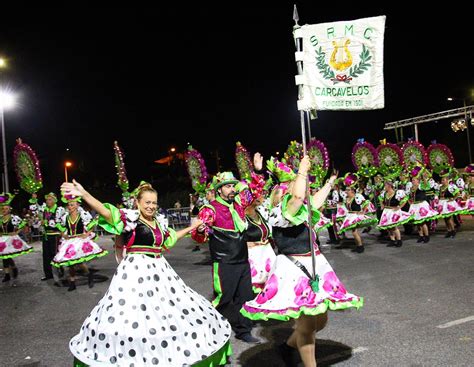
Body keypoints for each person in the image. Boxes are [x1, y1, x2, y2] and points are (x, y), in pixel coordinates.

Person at [61, 180, 232, 367]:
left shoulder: (158, 222)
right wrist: (84, 194)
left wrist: (192, 227)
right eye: (147, 202)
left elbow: (170, 240)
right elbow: (106, 212)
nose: (151, 206)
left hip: (160, 272)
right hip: (135, 274)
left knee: (165, 315)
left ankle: (165, 354)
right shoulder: (130, 219)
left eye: (154, 203)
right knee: (134, 318)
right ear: (138, 202)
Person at [241, 156, 363, 367]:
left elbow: (314, 201)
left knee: (320, 320)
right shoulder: (279, 212)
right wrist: (302, 171)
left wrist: (330, 182)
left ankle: (288, 347)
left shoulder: (299, 209)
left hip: (314, 266)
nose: (296, 189)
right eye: (287, 187)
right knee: (307, 325)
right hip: (294, 272)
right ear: (279, 194)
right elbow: (298, 197)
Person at [192, 153, 265, 344]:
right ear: (219, 190)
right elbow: (199, 236)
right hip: (224, 263)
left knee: (245, 297)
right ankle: (205, 327)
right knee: (223, 299)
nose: (232, 189)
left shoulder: (239, 204)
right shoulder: (211, 209)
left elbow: (255, 191)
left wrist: (256, 171)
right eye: (228, 186)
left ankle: (243, 330)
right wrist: (200, 229)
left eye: (233, 185)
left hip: (242, 261)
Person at [52, 195, 108, 291]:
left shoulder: (82, 215)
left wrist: (86, 234)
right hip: (69, 241)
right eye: (69, 205)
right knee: (71, 263)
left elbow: (91, 224)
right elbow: (60, 226)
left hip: (79, 241)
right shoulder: (65, 217)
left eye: (72, 205)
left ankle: (88, 275)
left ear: (77, 205)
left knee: (78, 262)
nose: (70, 207)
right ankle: (73, 282)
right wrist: (63, 234)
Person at [30, 192, 66, 281]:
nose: (47, 201)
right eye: (47, 199)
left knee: (55, 254)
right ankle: (48, 274)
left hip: (55, 235)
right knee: (45, 255)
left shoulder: (59, 209)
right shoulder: (44, 209)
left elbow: (62, 223)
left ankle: (59, 271)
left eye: (50, 199)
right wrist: (41, 222)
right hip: (46, 235)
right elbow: (36, 212)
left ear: (54, 200)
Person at [338, 174, 377, 253]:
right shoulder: (346, 198)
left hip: (356, 216)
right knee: (354, 232)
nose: (346, 191)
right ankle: (358, 245)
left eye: (348, 190)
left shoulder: (357, 196)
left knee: (354, 232)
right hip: (350, 216)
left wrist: (363, 211)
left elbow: (366, 203)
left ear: (352, 190)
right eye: (346, 190)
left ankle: (360, 246)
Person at [0, 193, 33, 283]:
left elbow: (22, 223)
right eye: (3, 209)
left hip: (11, 239)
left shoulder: (14, 218)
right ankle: (8, 273)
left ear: (9, 209)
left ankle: (11, 270)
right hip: (3, 239)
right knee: (4, 256)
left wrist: (16, 232)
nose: (4, 210)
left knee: (7, 255)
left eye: (6, 209)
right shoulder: (0, 219)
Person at [407, 166, 439, 243]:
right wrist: (410, 202)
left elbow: (427, 186)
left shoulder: (421, 186)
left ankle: (426, 236)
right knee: (417, 222)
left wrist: (423, 177)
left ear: (418, 181)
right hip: (414, 206)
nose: (413, 181)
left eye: (414, 180)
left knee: (423, 222)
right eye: (412, 180)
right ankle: (421, 236)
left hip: (421, 205)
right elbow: (408, 197)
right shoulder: (411, 188)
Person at [377, 180, 413, 247]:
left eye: (385, 185)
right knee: (389, 227)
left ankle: (399, 240)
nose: (384, 187)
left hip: (393, 211)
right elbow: (380, 198)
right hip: (386, 211)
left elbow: (405, 199)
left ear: (389, 186)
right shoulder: (384, 193)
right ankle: (392, 240)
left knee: (394, 227)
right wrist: (382, 205)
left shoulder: (397, 192)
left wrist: (399, 207)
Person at [436, 169, 464, 238]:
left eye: (444, 180)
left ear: (447, 180)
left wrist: (453, 198)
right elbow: (437, 194)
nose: (442, 181)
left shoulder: (451, 186)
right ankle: (449, 231)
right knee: (445, 218)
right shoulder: (440, 187)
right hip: (442, 203)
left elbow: (458, 193)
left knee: (449, 218)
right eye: (442, 180)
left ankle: (453, 230)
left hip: (448, 203)